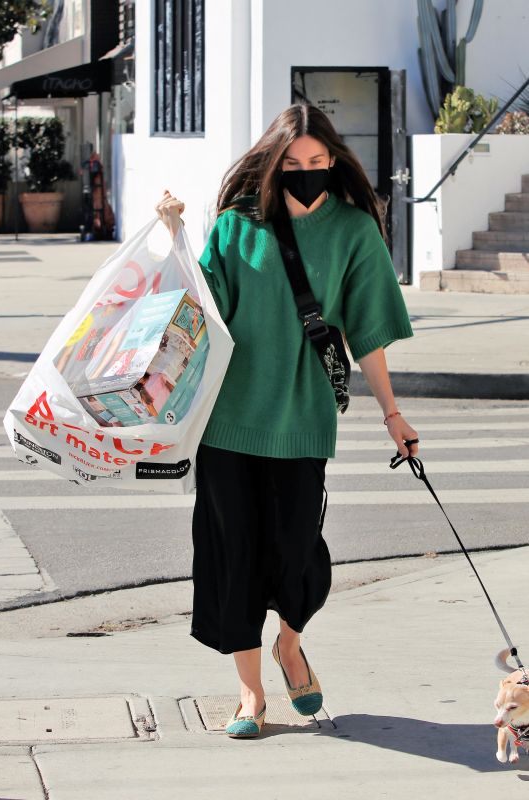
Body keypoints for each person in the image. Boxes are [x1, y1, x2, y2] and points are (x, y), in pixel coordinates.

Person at [155, 103, 419, 739]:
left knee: (299, 554)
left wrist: (392, 412)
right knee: (233, 555)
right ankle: (251, 695)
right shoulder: (236, 227)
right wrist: (173, 237)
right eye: (293, 163)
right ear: (272, 163)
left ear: (334, 161)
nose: (306, 173)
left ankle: (290, 645)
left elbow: (368, 334)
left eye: (318, 162)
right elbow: (198, 310)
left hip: (302, 418)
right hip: (228, 421)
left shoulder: (354, 231)